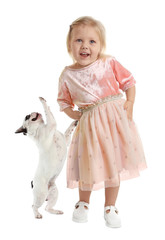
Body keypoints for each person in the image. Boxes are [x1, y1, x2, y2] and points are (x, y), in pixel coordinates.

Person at [57, 16, 147, 228]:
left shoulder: (108, 62)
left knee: (113, 163)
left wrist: (130, 101)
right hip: (89, 126)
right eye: (79, 40)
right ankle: (83, 202)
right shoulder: (67, 75)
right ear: (70, 44)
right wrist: (74, 114)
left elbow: (129, 82)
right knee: (88, 163)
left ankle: (110, 206)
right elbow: (63, 100)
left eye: (92, 41)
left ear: (100, 46)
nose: (85, 46)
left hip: (114, 122)